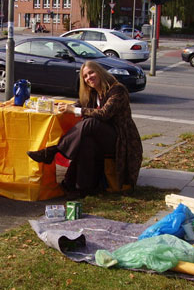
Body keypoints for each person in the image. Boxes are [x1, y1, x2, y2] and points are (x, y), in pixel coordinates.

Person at [27, 61, 143, 197]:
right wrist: (59, 105)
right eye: (85, 76)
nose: (89, 78)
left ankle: (54, 150)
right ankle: (79, 187)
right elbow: (80, 105)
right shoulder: (93, 93)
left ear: (100, 72)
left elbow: (104, 114)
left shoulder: (117, 90)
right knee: (85, 143)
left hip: (121, 139)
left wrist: (75, 110)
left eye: (91, 73)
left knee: (90, 123)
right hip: (104, 139)